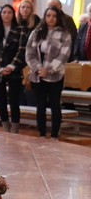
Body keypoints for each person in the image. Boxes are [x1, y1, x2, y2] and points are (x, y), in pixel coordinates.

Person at [26, 7, 73, 139]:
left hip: (55, 75)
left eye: (54, 16)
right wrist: (38, 68)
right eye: (48, 15)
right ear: (44, 17)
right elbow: (29, 53)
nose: (51, 18)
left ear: (58, 18)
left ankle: (54, 135)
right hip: (38, 74)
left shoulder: (65, 35)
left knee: (55, 105)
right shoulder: (36, 33)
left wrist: (49, 69)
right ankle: (42, 134)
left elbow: (63, 56)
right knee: (40, 106)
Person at [0, 5, 28, 133]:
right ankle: (6, 127)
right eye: (4, 12)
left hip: (14, 69)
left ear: (13, 15)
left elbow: (22, 50)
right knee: (1, 101)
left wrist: (11, 66)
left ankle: (15, 128)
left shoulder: (20, 30)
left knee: (14, 101)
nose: (6, 15)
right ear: (0, 15)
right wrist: (0, 68)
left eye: (9, 12)